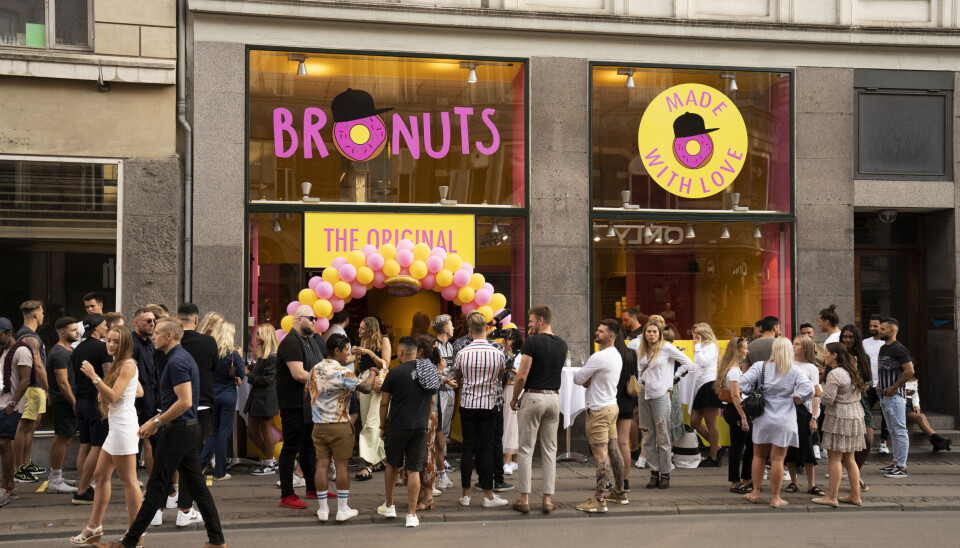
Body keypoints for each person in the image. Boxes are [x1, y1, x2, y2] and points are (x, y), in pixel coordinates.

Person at [100, 317, 226, 548]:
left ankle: (128, 542)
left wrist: (155, 422)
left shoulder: (177, 361)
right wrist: (154, 420)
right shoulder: (179, 358)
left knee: (156, 486)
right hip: (185, 430)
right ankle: (217, 541)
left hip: (178, 432)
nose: (153, 336)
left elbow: (185, 402)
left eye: (157, 333)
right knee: (198, 488)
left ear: (169, 336)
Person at [71, 326, 144, 545]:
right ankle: (94, 527)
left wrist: (94, 377)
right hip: (117, 428)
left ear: (124, 344)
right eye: (108, 341)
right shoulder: (121, 365)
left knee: (129, 481)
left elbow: (112, 396)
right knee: (101, 476)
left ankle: (135, 534)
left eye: (115, 341)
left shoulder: (128, 365)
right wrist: (124, 390)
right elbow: (138, 391)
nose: (110, 345)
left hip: (123, 429)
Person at [308, 333, 378, 522]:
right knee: (341, 466)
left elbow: (308, 392)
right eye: (346, 350)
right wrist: (372, 373)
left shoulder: (314, 369)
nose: (348, 354)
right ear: (336, 350)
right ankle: (342, 509)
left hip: (318, 425)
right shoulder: (342, 372)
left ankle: (322, 510)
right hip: (339, 425)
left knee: (321, 465)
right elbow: (366, 388)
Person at [739, 336, 815, 508]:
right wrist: (800, 398)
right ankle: (775, 497)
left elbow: (742, 383)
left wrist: (753, 390)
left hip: (763, 415)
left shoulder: (761, 366)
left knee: (758, 455)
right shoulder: (794, 370)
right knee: (778, 459)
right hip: (785, 416)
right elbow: (809, 389)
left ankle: (755, 493)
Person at [378, 336, 443, 527]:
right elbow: (432, 401)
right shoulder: (428, 372)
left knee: (392, 464)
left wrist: (383, 426)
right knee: (414, 469)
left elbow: (384, 402)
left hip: (398, 426)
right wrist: (425, 418)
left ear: (400, 352)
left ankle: (389, 505)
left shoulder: (395, 373)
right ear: (416, 352)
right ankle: (411, 514)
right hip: (420, 426)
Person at [509, 305, 566, 514]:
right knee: (550, 451)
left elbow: (522, 375)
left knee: (525, 450)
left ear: (541, 320)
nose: (529, 325)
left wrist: (514, 398)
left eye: (531, 321)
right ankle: (547, 499)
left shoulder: (532, 343)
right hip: (554, 399)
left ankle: (524, 499)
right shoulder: (562, 344)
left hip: (533, 397)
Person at [453, 312, 507, 509]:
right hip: (488, 403)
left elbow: (458, 378)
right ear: (486, 329)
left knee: (468, 448)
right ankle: (488, 495)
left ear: (470, 331)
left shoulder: (462, 353)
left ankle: (465, 494)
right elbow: (500, 376)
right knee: (486, 448)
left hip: (467, 402)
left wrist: (467, 385)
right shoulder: (497, 352)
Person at [173, 303, 220, 526]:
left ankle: (160, 508)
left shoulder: (170, 340)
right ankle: (184, 508)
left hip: (171, 406)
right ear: (196, 319)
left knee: (169, 456)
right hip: (199, 403)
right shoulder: (207, 342)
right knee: (191, 457)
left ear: (176, 318)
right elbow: (213, 367)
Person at [276, 305, 327, 509]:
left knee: (308, 447)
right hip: (293, 404)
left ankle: (312, 488)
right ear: (298, 320)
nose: (315, 321)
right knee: (290, 448)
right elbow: (298, 374)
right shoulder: (290, 342)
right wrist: (325, 379)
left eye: (315, 319)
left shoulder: (310, 341)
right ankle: (287, 494)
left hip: (308, 404)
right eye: (311, 318)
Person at [573, 320, 625, 513]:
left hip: (598, 410)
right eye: (597, 329)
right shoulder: (616, 355)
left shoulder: (599, 357)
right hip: (611, 406)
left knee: (600, 455)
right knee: (613, 449)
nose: (597, 332)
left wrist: (588, 379)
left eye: (601, 331)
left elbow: (577, 378)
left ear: (611, 335)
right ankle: (620, 492)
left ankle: (599, 499)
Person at [635, 321, 693, 489]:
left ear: (659, 333)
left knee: (663, 434)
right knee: (648, 434)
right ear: (644, 333)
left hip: (661, 393)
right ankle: (654, 472)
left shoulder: (666, 348)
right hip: (644, 392)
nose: (651, 334)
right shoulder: (641, 349)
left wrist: (674, 377)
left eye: (654, 331)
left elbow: (688, 363)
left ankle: (665, 472)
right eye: (648, 332)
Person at [812, 342, 866, 508]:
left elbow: (829, 399)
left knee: (835, 458)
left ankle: (832, 496)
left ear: (834, 355)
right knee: (850, 458)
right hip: (855, 415)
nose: (824, 355)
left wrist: (818, 391)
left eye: (826, 352)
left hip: (839, 417)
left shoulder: (835, 374)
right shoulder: (852, 370)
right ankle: (855, 495)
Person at [71, 314, 112, 505]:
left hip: (81, 401)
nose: (107, 327)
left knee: (85, 444)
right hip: (95, 402)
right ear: (96, 327)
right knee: (98, 446)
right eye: (105, 325)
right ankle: (81, 490)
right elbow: (108, 375)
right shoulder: (102, 347)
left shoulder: (77, 349)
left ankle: (84, 487)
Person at [199, 321, 244, 481]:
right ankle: (219, 471)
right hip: (228, 394)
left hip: (212, 393)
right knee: (223, 432)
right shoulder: (232, 353)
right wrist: (241, 358)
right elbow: (241, 373)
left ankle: (199, 467)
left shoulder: (211, 352)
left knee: (214, 432)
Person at [12, 300, 50, 484]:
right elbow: (39, 367)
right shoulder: (29, 338)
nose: (43, 315)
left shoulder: (27, 336)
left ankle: (25, 464)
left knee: (31, 426)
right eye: (42, 312)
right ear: (35, 314)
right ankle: (17, 469)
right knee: (23, 427)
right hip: (31, 387)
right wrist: (50, 388)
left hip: (35, 388)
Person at [876, 317, 914, 479]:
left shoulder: (899, 349)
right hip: (885, 395)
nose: (880, 331)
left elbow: (909, 370)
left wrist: (894, 386)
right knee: (892, 431)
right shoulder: (884, 348)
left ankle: (902, 467)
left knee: (899, 430)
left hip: (895, 396)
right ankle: (896, 463)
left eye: (883, 329)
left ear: (892, 331)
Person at [785, 335, 822, 497]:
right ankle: (793, 481)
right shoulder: (786, 364)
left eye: (797, 344)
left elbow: (815, 394)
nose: (793, 346)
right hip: (787, 409)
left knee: (807, 447)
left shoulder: (811, 368)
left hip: (803, 411)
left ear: (805, 348)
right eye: (793, 343)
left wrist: (814, 417)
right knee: (790, 447)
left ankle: (811, 484)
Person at [1, 317, 33, 506]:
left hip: (10, 406)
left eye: (0, 335)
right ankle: (9, 486)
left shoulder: (21, 350)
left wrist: (13, 404)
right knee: (2, 445)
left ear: (9, 333)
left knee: (5, 443)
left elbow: (25, 380)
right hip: (2, 404)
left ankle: (7, 487)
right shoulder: (3, 351)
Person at [354, 317, 390, 481]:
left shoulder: (384, 340)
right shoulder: (362, 342)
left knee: (372, 421)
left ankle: (368, 464)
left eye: (362, 328)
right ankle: (381, 459)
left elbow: (386, 364)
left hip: (376, 383)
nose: (359, 331)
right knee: (366, 420)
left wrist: (369, 353)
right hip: (363, 381)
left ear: (370, 329)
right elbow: (358, 365)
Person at [47, 317, 80, 494]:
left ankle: (57, 476)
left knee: (65, 437)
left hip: (66, 400)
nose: (77, 332)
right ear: (63, 333)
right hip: (64, 401)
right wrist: (74, 402)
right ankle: (55, 479)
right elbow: (63, 383)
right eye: (73, 330)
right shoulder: (59, 352)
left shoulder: (68, 350)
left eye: (77, 329)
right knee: (62, 437)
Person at [715, 337, 752, 493]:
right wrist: (743, 416)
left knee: (746, 445)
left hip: (732, 410)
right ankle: (736, 482)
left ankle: (746, 479)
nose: (747, 351)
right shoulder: (734, 370)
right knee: (739, 447)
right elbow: (736, 396)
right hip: (736, 410)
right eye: (745, 348)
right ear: (737, 350)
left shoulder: (729, 368)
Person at [840, 324, 875, 490]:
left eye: (850, 337)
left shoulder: (863, 357)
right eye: (844, 337)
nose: (847, 340)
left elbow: (870, 378)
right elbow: (828, 377)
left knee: (868, 440)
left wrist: (867, 384)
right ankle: (854, 478)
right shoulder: (837, 356)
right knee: (845, 444)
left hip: (862, 402)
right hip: (843, 403)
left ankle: (854, 473)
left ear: (856, 340)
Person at [247, 324, 280, 475]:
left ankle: (269, 462)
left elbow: (268, 380)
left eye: (259, 334)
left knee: (265, 429)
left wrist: (249, 374)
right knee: (251, 430)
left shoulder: (273, 356)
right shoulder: (265, 356)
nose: (257, 337)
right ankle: (271, 460)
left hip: (266, 398)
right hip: (259, 397)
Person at [690, 323, 722, 467]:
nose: (696, 336)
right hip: (702, 385)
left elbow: (703, 362)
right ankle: (718, 448)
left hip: (709, 384)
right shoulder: (702, 347)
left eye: (698, 333)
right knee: (694, 421)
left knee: (710, 422)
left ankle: (714, 456)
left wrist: (697, 346)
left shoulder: (710, 346)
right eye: (694, 333)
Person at [130, 308, 158, 477]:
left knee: (152, 443)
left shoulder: (149, 344)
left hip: (151, 404)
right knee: (135, 445)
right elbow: (130, 376)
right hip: (139, 405)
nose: (152, 323)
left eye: (153, 320)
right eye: (148, 321)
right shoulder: (132, 344)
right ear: (136, 323)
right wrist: (137, 405)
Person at [611, 325, 637, 491]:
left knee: (609, 443)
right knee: (624, 443)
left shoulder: (609, 355)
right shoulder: (631, 354)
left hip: (610, 401)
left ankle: (608, 479)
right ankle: (625, 480)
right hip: (627, 401)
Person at [431, 314, 456, 487]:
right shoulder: (435, 346)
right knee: (437, 431)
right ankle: (436, 464)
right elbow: (432, 373)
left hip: (450, 391)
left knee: (445, 430)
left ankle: (442, 460)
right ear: (445, 329)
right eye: (452, 324)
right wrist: (445, 381)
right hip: (439, 393)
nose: (454, 327)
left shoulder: (450, 346)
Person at [860, 315, 887, 454]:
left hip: (883, 385)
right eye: (870, 326)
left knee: (885, 414)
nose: (872, 328)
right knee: (864, 412)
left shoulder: (886, 344)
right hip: (869, 384)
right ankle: (863, 440)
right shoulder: (864, 342)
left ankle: (883, 442)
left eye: (875, 326)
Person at [904, 376, 952, 452]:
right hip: (902, 403)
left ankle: (935, 443)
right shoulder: (896, 376)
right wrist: (905, 391)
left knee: (922, 416)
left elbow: (915, 394)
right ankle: (939, 439)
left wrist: (916, 405)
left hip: (911, 404)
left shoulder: (913, 379)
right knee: (920, 417)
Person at [501, 328, 522, 477]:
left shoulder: (520, 355)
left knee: (513, 424)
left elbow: (521, 374)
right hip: (506, 389)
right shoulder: (502, 354)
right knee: (509, 423)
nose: (503, 340)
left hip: (515, 389)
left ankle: (510, 460)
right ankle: (510, 459)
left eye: (507, 338)